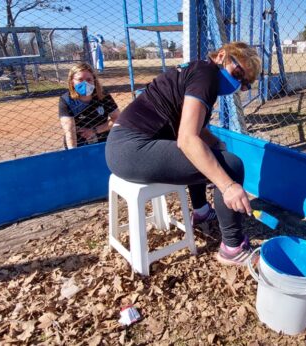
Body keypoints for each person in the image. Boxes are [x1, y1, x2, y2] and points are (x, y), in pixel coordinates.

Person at [105, 42, 261, 265]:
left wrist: (217, 144)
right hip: (131, 149)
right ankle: (233, 249)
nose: (238, 83)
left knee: (208, 153)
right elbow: (187, 140)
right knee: (231, 165)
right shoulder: (207, 75)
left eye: (244, 84)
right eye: (237, 73)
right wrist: (228, 186)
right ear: (221, 56)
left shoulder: (198, 71)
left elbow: (189, 128)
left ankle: (202, 212)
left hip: (123, 147)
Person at [59, 62, 120, 149]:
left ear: (94, 81)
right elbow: (70, 131)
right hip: (79, 144)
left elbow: (117, 119)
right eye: (80, 80)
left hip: (102, 141)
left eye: (89, 80)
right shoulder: (66, 100)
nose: (85, 83)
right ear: (72, 82)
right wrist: (73, 153)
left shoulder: (103, 96)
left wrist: (94, 130)